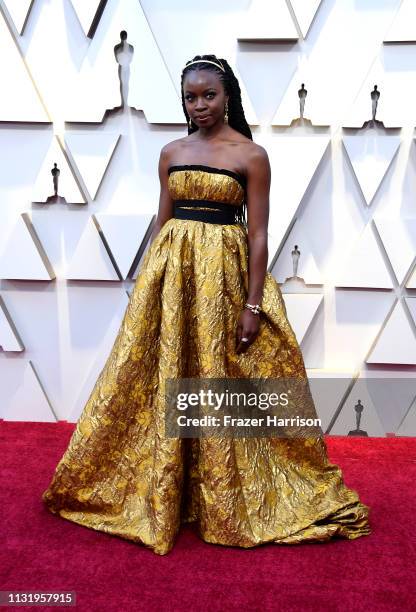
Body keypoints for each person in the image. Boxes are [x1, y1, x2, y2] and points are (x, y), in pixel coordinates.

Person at [42, 54, 371, 555]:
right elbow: (163, 222)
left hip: (224, 280)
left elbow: (258, 235)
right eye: (191, 97)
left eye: (209, 95)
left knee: (219, 379)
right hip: (172, 280)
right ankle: (169, 490)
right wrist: (151, 285)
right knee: (164, 375)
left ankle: (220, 492)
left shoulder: (251, 156)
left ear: (228, 96)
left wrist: (253, 303)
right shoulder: (171, 152)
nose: (200, 105)